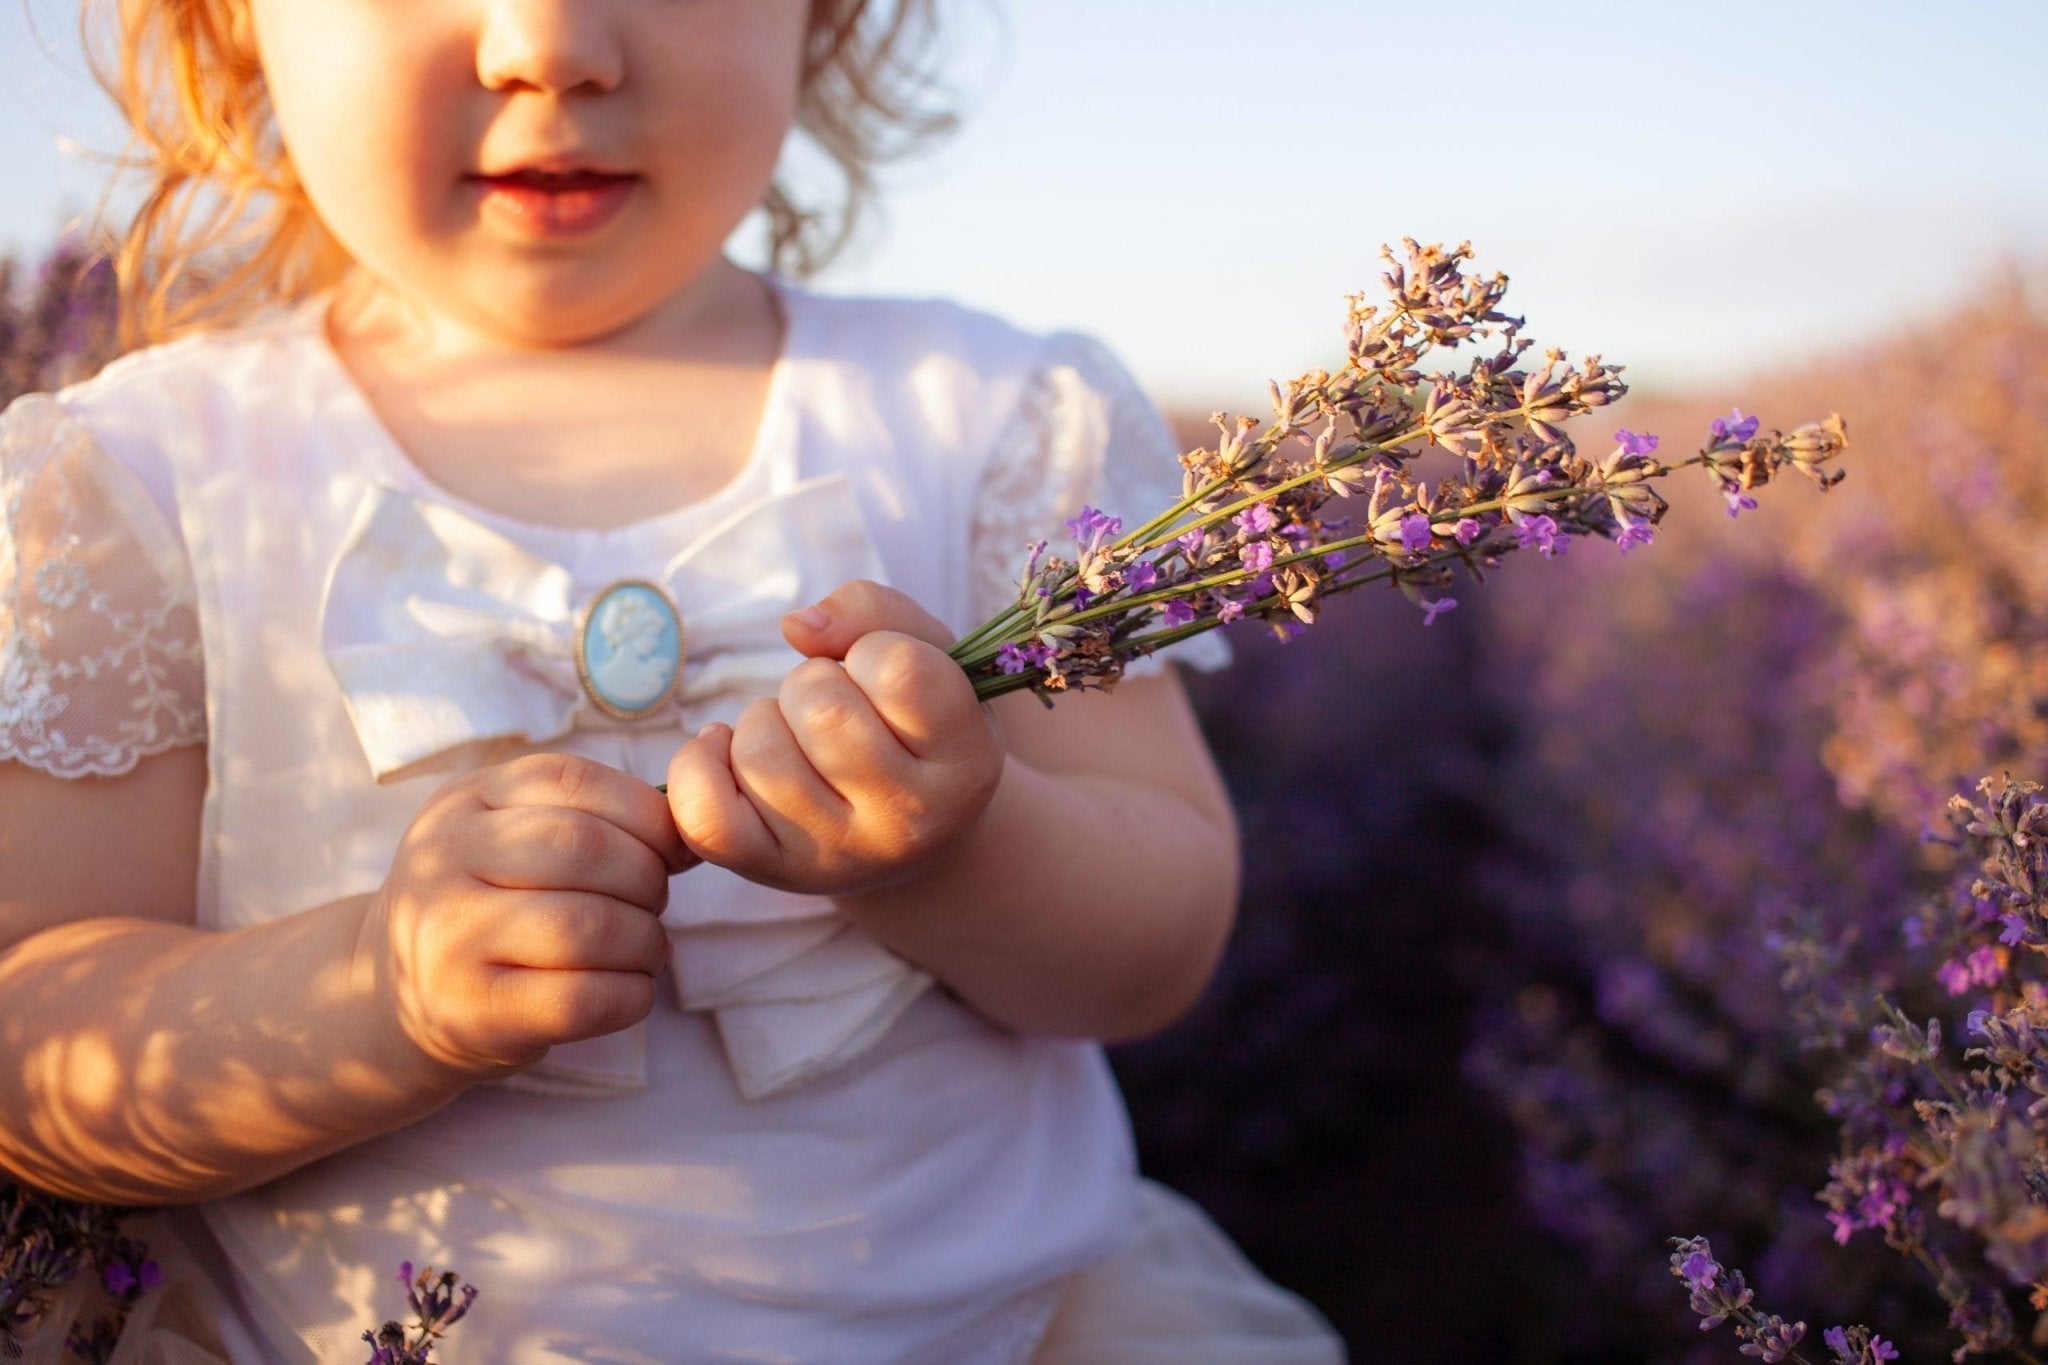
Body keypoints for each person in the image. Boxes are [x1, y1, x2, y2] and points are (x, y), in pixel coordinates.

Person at [0, 1, 1345, 1360]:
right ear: (229, 25)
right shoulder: (151, 481)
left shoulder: (981, 416)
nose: (551, 43)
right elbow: (36, 1028)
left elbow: (1163, 930)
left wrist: (961, 850)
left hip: (1005, 1327)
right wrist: (369, 987)